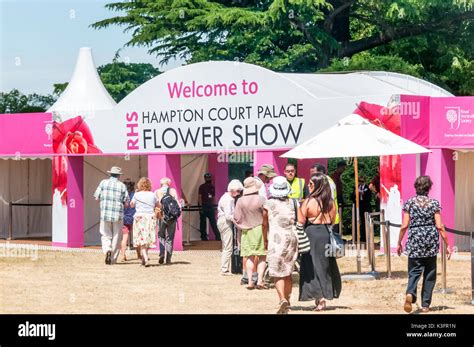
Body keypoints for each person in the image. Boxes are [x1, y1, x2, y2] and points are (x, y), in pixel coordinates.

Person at [397, 175, 451, 313]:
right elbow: (439, 226)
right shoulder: (434, 204)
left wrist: (399, 242)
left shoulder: (410, 203)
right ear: (429, 188)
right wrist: (447, 244)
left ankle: (410, 293)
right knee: (430, 273)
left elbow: (404, 225)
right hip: (430, 242)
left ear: (416, 187)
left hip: (415, 240)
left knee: (414, 271)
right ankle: (425, 305)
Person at [299, 173, 342, 311]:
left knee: (312, 266)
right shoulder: (330, 202)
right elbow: (333, 219)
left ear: (317, 185)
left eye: (311, 184)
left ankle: (320, 297)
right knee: (325, 266)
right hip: (325, 233)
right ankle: (323, 295)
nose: (308, 186)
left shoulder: (309, 201)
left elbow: (300, 220)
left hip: (311, 234)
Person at [263, 176, 304, 314]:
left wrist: (265, 240)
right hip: (291, 238)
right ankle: (288, 299)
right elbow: (301, 220)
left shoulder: (268, 203)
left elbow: (264, 224)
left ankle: (282, 299)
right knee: (288, 271)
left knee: (276, 271)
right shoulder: (294, 202)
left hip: (276, 239)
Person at [233, 177, 267, 290]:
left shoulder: (240, 200)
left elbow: (236, 218)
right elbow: (267, 215)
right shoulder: (262, 199)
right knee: (262, 256)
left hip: (246, 231)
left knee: (249, 257)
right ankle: (260, 280)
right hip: (260, 229)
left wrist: (242, 225)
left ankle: (250, 281)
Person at [94, 166, 129, 265]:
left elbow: (96, 197)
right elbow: (126, 202)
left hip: (105, 213)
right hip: (118, 214)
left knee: (105, 234)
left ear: (110, 174)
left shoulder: (103, 183)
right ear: (119, 176)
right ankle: (112, 258)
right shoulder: (122, 186)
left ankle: (107, 250)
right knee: (117, 236)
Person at [217, 179, 244, 275]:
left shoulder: (226, 197)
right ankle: (224, 269)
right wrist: (238, 221)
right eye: (238, 191)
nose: (238, 194)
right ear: (233, 190)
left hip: (222, 221)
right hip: (225, 221)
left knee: (225, 246)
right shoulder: (228, 199)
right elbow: (228, 215)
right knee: (228, 247)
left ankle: (224, 268)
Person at [130, 177, 159, 267]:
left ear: (140, 185)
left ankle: (145, 258)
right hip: (150, 217)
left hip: (139, 217)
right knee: (148, 238)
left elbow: (131, 205)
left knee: (141, 238)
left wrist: (135, 195)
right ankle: (144, 257)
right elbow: (158, 205)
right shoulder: (153, 194)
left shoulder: (137, 195)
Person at [155, 177, 181, 265]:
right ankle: (168, 259)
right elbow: (177, 203)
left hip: (162, 217)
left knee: (161, 236)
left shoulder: (157, 191)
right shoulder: (173, 191)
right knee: (170, 238)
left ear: (161, 183)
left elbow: (156, 204)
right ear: (169, 184)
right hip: (172, 218)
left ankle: (162, 253)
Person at [310, 163, 341, 234]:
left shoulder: (328, 183)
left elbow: (330, 201)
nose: (311, 176)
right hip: (324, 219)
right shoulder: (321, 182)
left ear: (321, 172)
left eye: (313, 173)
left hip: (330, 219)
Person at [198, 173, 220, 241]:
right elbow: (199, 197)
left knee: (213, 222)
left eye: (209, 177)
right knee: (203, 223)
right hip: (204, 205)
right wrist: (200, 207)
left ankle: (218, 236)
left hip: (210, 206)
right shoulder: (201, 186)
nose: (208, 179)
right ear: (205, 178)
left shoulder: (212, 187)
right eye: (207, 178)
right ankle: (203, 237)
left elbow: (213, 197)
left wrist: (214, 206)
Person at [121, 179, 139, 261]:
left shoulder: (122, 195)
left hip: (124, 218)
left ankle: (123, 255)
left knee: (125, 237)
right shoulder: (135, 195)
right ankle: (139, 255)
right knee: (137, 237)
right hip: (134, 218)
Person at [351, 176, 372, 242]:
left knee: (364, 222)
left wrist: (363, 194)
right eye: (359, 181)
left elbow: (369, 198)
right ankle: (355, 237)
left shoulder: (367, 188)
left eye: (362, 181)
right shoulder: (356, 188)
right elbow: (351, 197)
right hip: (358, 206)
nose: (361, 183)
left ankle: (365, 237)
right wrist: (355, 193)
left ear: (364, 181)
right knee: (356, 221)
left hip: (365, 206)